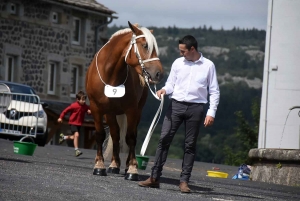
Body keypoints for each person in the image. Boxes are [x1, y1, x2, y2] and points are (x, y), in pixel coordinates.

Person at [138, 35, 220, 193]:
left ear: (192, 49)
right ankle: (154, 178)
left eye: (183, 51)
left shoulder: (209, 65)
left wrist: (211, 112)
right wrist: (164, 90)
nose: (181, 53)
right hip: (175, 105)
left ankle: (184, 181)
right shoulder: (178, 63)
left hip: (196, 108)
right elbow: (171, 84)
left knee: (190, 145)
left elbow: (214, 91)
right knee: (164, 139)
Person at [57, 90, 91, 157]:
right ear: (78, 99)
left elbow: (88, 111)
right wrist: (61, 117)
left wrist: (89, 112)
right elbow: (65, 111)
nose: (84, 101)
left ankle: (64, 137)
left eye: (85, 100)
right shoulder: (74, 105)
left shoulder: (85, 106)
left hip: (79, 124)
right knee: (77, 135)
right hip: (73, 123)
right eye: (82, 100)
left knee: (74, 137)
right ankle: (76, 150)